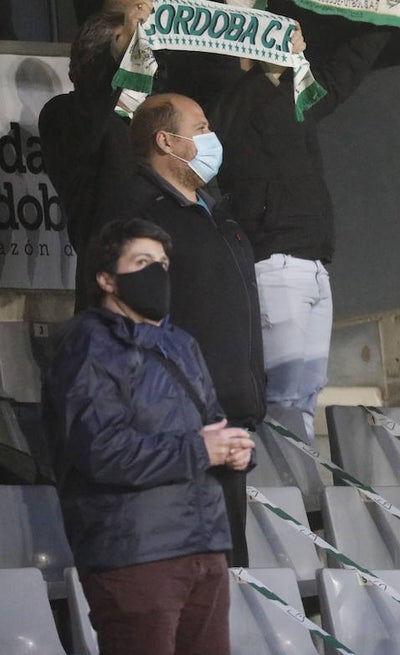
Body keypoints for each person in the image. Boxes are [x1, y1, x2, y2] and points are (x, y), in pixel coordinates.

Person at [43, 217, 254, 655]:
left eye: (162, 263)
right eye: (142, 262)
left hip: (205, 546)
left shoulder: (182, 344)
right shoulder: (87, 345)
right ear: (107, 279)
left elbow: (213, 424)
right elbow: (101, 452)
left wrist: (235, 451)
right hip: (135, 554)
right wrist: (200, 449)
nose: (157, 273)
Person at [209, 0, 391, 443]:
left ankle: (298, 485)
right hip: (273, 262)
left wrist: (387, 12)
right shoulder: (233, 96)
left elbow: (348, 65)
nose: (294, 41)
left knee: (306, 394)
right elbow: (225, 98)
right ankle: (276, 484)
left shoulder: (297, 93)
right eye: (280, 33)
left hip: (314, 264)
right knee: (281, 398)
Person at [115, 93, 266, 566]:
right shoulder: (141, 217)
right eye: (201, 128)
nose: (212, 138)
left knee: (231, 573)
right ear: (166, 141)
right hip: (180, 430)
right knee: (193, 575)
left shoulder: (216, 213)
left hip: (231, 420)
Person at [39, 0, 152, 309]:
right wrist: (119, 52)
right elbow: (91, 106)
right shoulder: (64, 114)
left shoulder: (159, 117)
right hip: (117, 295)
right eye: (135, 50)